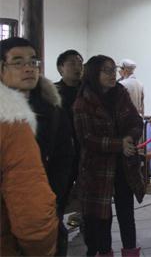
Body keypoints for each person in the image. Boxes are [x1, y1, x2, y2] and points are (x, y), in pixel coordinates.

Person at [1, 37, 74, 256]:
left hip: (44, 207)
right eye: (18, 62)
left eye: (33, 62)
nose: (28, 68)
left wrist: (53, 200)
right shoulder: (7, 119)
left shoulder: (53, 109)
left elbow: (65, 158)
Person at [73, 55, 145, 257]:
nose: (112, 74)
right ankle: (105, 252)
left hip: (124, 164)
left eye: (114, 69)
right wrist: (119, 144)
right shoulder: (83, 102)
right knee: (102, 216)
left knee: (126, 213)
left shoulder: (120, 93)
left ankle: (130, 251)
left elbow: (136, 121)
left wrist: (129, 139)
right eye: (106, 70)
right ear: (94, 73)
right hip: (97, 168)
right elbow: (86, 138)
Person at [0, 81, 59, 256]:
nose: (28, 70)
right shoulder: (10, 117)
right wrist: (42, 249)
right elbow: (33, 216)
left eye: (33, 67)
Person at [55, 49, 84, 227]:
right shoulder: (52, 92)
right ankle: (56, 226)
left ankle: (85, 221)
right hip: (63, 152)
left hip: (86, 149)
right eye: (72, 63)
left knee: (87, 190)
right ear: (60, 68)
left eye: (80, 63)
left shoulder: (88, 91)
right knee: (61, 191)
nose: (77, 67)